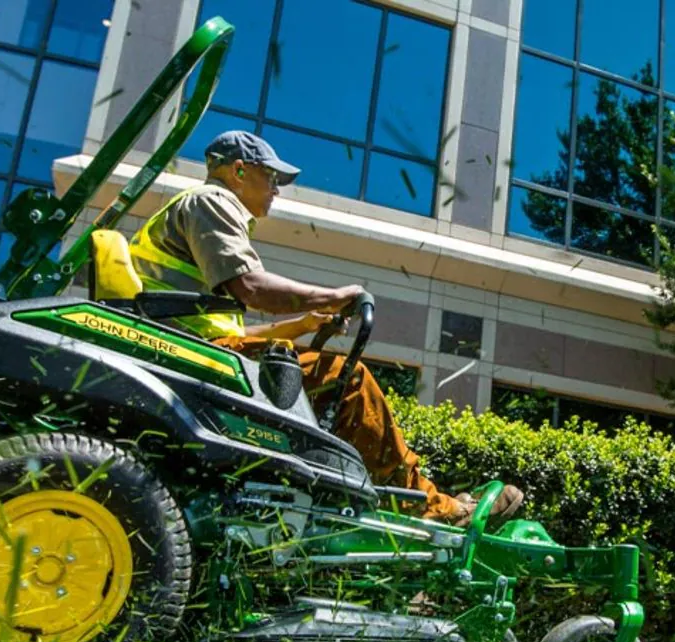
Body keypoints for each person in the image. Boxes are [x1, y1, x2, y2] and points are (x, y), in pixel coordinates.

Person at [125, 130, 525, 528]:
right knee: (346, 381)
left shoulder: (193, 211)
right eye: (272, 177)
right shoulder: (213, 201)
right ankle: (430, 509)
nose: (277, 190)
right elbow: (252, 287)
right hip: (199, 356)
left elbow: (227, 331)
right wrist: (333, 296)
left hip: (197, 349)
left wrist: (301, 325)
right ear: (239, 171)